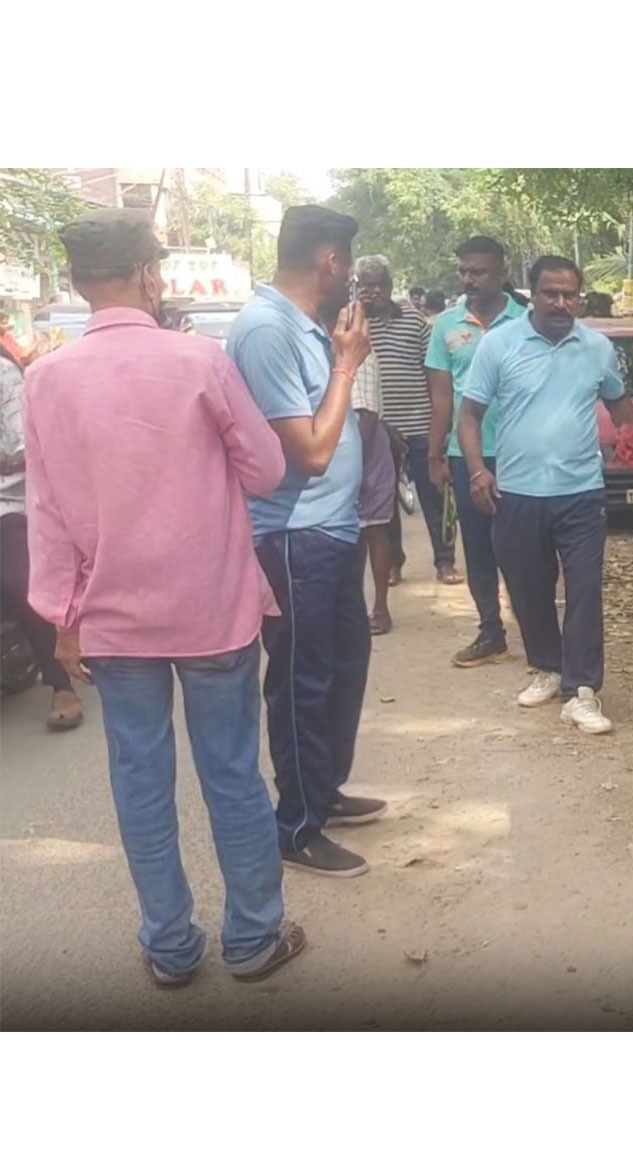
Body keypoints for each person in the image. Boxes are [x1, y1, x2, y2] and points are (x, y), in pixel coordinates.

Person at [23, 208, 304, 986]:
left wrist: (62, 619)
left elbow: (46, 512)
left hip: (113, 619)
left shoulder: (44, 379)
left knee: (139, 780)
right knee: (232, 773)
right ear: (150, 275)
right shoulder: (199, 362)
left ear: (78, 284)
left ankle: (172, 946)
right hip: (211, 609)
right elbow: (268, 473)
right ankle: (252, 938)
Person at [228, 205, 387, 879]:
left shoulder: (305, 327)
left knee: (344, 667)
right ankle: (296, 825)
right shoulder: (267, 330)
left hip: (331, 529)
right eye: (345, 264)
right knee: (301, 684)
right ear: (330, 262)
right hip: (294, 535)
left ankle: (322, 791)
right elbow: (311, 452)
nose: (348, 277)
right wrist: (349, 364)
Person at [459, 255, 633, 735]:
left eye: (570, 294)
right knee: (529, 588)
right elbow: (469, 414)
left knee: (584, 591)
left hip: (581, 493)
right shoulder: (499, 344)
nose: (561, 303)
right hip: (516, 492)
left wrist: (627, 435)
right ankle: (547, 666)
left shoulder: (597, 347)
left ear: (580, 297)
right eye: (550, 293)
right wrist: (477, 472)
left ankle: (581, 691)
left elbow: (619, 401)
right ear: (531, 295)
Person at [425, 236, 527, 667]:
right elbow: (442, 398)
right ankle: (491, 632)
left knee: (525, 548)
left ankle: (537, 632)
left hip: (523, 454)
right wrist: (435, 455)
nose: (468, 279)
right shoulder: (447, 327)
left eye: (478, 272)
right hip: (467, 456)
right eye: (464, 271)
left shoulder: (528, 320)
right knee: (479, 547)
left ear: (501, 272)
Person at [357, 256, 462, 586]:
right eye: (364, 285)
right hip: (377, 430)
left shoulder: (415, 323)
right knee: (384, 502)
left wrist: (439, 429)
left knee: (433, 495)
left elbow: (434, 376)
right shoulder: (352, 324)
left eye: (377, 285)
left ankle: (444, 562)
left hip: (418, 425)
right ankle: (393, 562)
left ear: (389, 287)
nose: (371, 292)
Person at [0, 341, 82, 730]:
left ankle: (60, 684)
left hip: (8, 501)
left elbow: (23, 445)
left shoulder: (4, 373)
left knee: (20, 581)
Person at [350, 354, 395, 633]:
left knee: (374, 530)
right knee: (350, 534)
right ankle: (354, 608)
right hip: (340, 446)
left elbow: (367, 414)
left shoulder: (361, 353)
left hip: (363, 448)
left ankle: (380, 608)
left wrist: (352, 464)